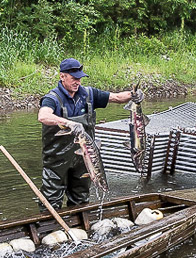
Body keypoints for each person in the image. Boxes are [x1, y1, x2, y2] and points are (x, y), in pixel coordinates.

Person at [37, 58, 144, 209]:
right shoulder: (52, 98)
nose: (77, 82)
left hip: (84, 158)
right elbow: (43, 116)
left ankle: (80, 226)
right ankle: (49, 229)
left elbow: (117, 98)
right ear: (62, 76)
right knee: (50, 199)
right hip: (57, 160)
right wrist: (68, 123)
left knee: (81, 197)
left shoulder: (88, 94)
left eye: (80, 79)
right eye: (74, 79)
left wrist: (134, 95)